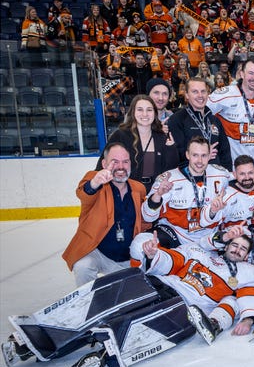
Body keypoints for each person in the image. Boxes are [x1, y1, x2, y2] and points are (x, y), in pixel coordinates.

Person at [3, 233, 254, 367]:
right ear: (226, 245)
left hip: (181, 305)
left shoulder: (245, 274)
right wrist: (155, 253)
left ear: (247, 255)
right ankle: (39, 337)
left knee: (134, 321)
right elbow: (171, 260)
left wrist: (220, 321)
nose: (238, 249)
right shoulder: (200, 253)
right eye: (235, 244)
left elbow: (235, 302)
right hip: (156, 284)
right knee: (104, 298)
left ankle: (106, 354)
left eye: (243, 248)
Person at [62, 143, 148, 286]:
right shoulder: (95, 180)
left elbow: (144, 222)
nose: (121, 166)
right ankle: (86, 302)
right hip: (98, 253)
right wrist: (95, 182)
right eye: (114, 161)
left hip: (128, 256)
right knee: (83, 266)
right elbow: (83, 193)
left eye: (125, 161)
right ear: (104, 163)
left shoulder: (138, 188)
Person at [135, 136, 229, 249]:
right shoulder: (169, 178)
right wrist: (158, 195)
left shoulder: (221, 175)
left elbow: (241, 179)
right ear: (187, 155)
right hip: (175, 234)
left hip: (208, 238)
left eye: (203, 155)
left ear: (209, 156)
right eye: (195, 155)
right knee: (141, 245)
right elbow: (148, 216)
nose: (199, 161)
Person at [207, 60, 254, 167]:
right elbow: (200, 116)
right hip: (230, 168)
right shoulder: (224, 95)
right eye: (250, 73)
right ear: (241, 74)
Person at [98, 95, 179, 193]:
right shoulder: (120, 136)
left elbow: (171, 171)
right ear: (133, 112)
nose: (145, 114)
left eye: (149, 110)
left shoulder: (162, 137)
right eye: (140, 110)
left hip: (154, 193)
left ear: (154, 113)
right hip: (127, 193)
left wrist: (171, 149)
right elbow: (102, 167)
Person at [167, 78, 233, 170]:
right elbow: (178, 153)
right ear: (186, 95)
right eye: (195, 92)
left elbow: (225, 152)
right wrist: (203, 155)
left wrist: (227, 175)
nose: (200, 95)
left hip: (216, 177)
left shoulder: (214, 120)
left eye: (203, 91)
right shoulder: (177, 120)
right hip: (190, 177)